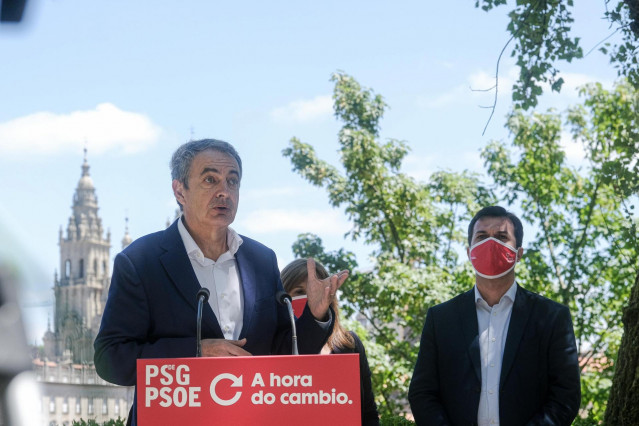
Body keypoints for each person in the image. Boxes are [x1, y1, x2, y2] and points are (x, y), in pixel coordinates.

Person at [94, 139, 347, 426]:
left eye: (233, 181)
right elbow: (110, 359)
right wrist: (198, 351)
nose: (224, 192)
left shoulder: (262, 259)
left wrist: (314, 316)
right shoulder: (140, 261)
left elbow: (282, 356)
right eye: (210, 180)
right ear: (180, 191)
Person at [408, 206, 581, 426]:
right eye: (481, 237)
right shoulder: (441, 319)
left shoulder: (551, 317)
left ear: (519, 253)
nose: (490, 244)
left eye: (501, 237)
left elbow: (565, 395)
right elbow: (422, 393)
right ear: (469, 250)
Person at [281, 258, 380, 426]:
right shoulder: (273, 346)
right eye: (299, 291)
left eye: (315, 290)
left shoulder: (350, 343)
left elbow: (368, 412)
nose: (310, 297)